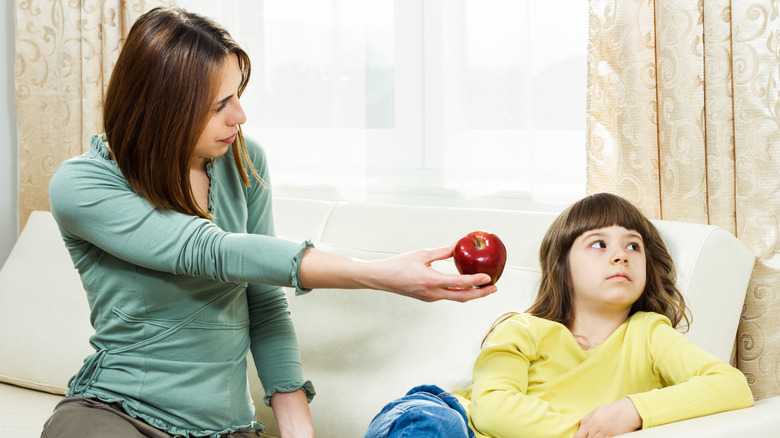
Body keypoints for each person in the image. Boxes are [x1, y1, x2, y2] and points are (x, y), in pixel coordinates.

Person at [40, 7, 497, 438]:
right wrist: (381, 274)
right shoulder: (83, 184)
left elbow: (263, 300)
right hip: (115, 414)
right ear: (164, 107)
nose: (240, 116)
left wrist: (299, 428)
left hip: (227, 425)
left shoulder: (245, 161)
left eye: (238, 94)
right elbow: (208, 251)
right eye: (220, 104)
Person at [364, 192, 754, 438]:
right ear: (562, 268)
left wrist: (634, 411)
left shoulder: (650, 334)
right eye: (598, 244)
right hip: (453, 419)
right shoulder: (523, 328)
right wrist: (585, 431)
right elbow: (493, 407)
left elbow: (731, 385)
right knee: (431, 426)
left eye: (633, 247)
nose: (620, 255)